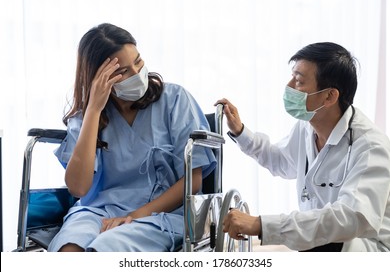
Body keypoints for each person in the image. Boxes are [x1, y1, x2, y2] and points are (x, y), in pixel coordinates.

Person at [48, 23, 216, 252]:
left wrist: (134, 216)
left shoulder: (175, 100)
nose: (137, 74)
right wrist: (94, 111)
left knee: (106, 248)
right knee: (69, 249)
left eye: (138, 62)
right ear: (98, 76)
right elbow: (78, 188)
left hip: (161, 214)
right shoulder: (86, 116)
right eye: (123, 71)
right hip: (97, 211)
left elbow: (193, 181)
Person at [217, 42, 390, 252]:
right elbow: (281, 161)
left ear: (329, 96)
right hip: (322, 243)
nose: (289, 87)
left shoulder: (371, 146)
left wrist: (260, 224)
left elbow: (351, 218)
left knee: (320, 241)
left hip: (367, 248)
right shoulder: (307, 128)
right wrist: (240, 132)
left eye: (298, 81)